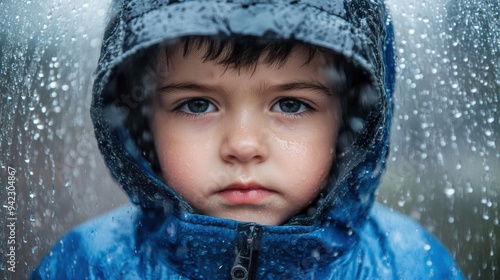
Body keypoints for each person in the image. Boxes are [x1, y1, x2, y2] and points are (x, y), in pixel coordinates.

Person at [32, 0, 464, 279]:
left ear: (350, 125)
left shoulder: (412, 265)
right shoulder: (89, 264)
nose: (242, 145)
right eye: (197, 104)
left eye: (291, 105)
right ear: (141, 122)